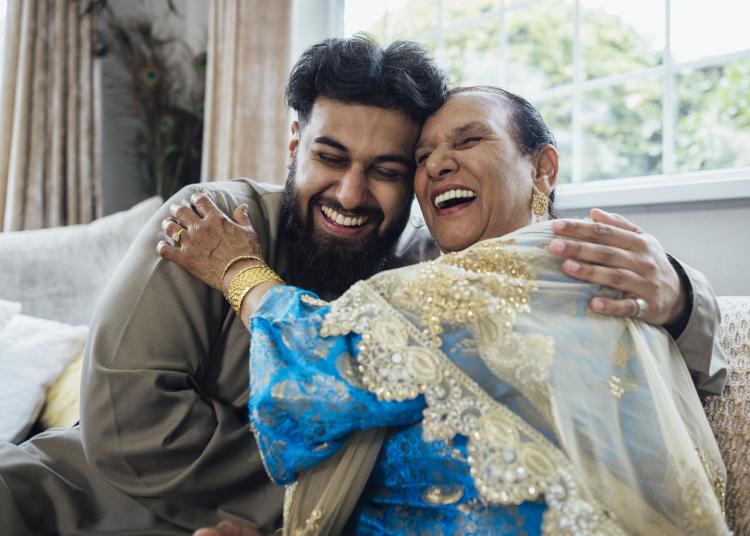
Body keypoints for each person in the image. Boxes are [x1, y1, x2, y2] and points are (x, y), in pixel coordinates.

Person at [0, 35, 723, 534]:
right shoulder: (209, 225)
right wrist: (336, 493)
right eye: (331, 157)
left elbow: (628, 332)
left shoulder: (423, 264)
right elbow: (127, 429)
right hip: (74, 502)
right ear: (294, 145)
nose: (351, 193)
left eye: (386, 169)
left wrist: (680, 293)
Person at [163, 87, 729, 535]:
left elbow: (315, 369)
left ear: (543, 169)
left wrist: (238, 271)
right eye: (421, 157)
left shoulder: (576, 261)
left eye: (468, 141)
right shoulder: (424, 277)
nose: (436, 165)